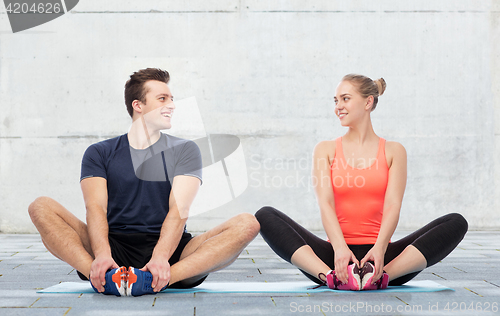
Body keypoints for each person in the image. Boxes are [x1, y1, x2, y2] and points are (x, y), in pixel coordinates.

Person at [28, 68, 260, 296]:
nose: (172, 105)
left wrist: (160, 258)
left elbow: (179, 209)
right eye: (162, 99)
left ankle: (153, 280)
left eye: (171, 99)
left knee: (247, 224)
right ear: (138, 106)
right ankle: (102, 274)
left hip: (172, 252)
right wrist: (101, 255)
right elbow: (95, 208)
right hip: (112, 246)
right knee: (41, 206)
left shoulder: (185, 150)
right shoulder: (99, 152)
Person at [255, 74, 468, 291]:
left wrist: (380, 249)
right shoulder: (325, 150)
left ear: (368, 102)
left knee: (456, 222)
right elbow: (325, 203)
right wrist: (339, 248)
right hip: (335, 256)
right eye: (335, 100)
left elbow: (393, 205)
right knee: (265, 215)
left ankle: (379, 277)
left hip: (381, 256)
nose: (338, 106)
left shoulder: (394, 151)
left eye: (345, 99)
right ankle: (332, 276)